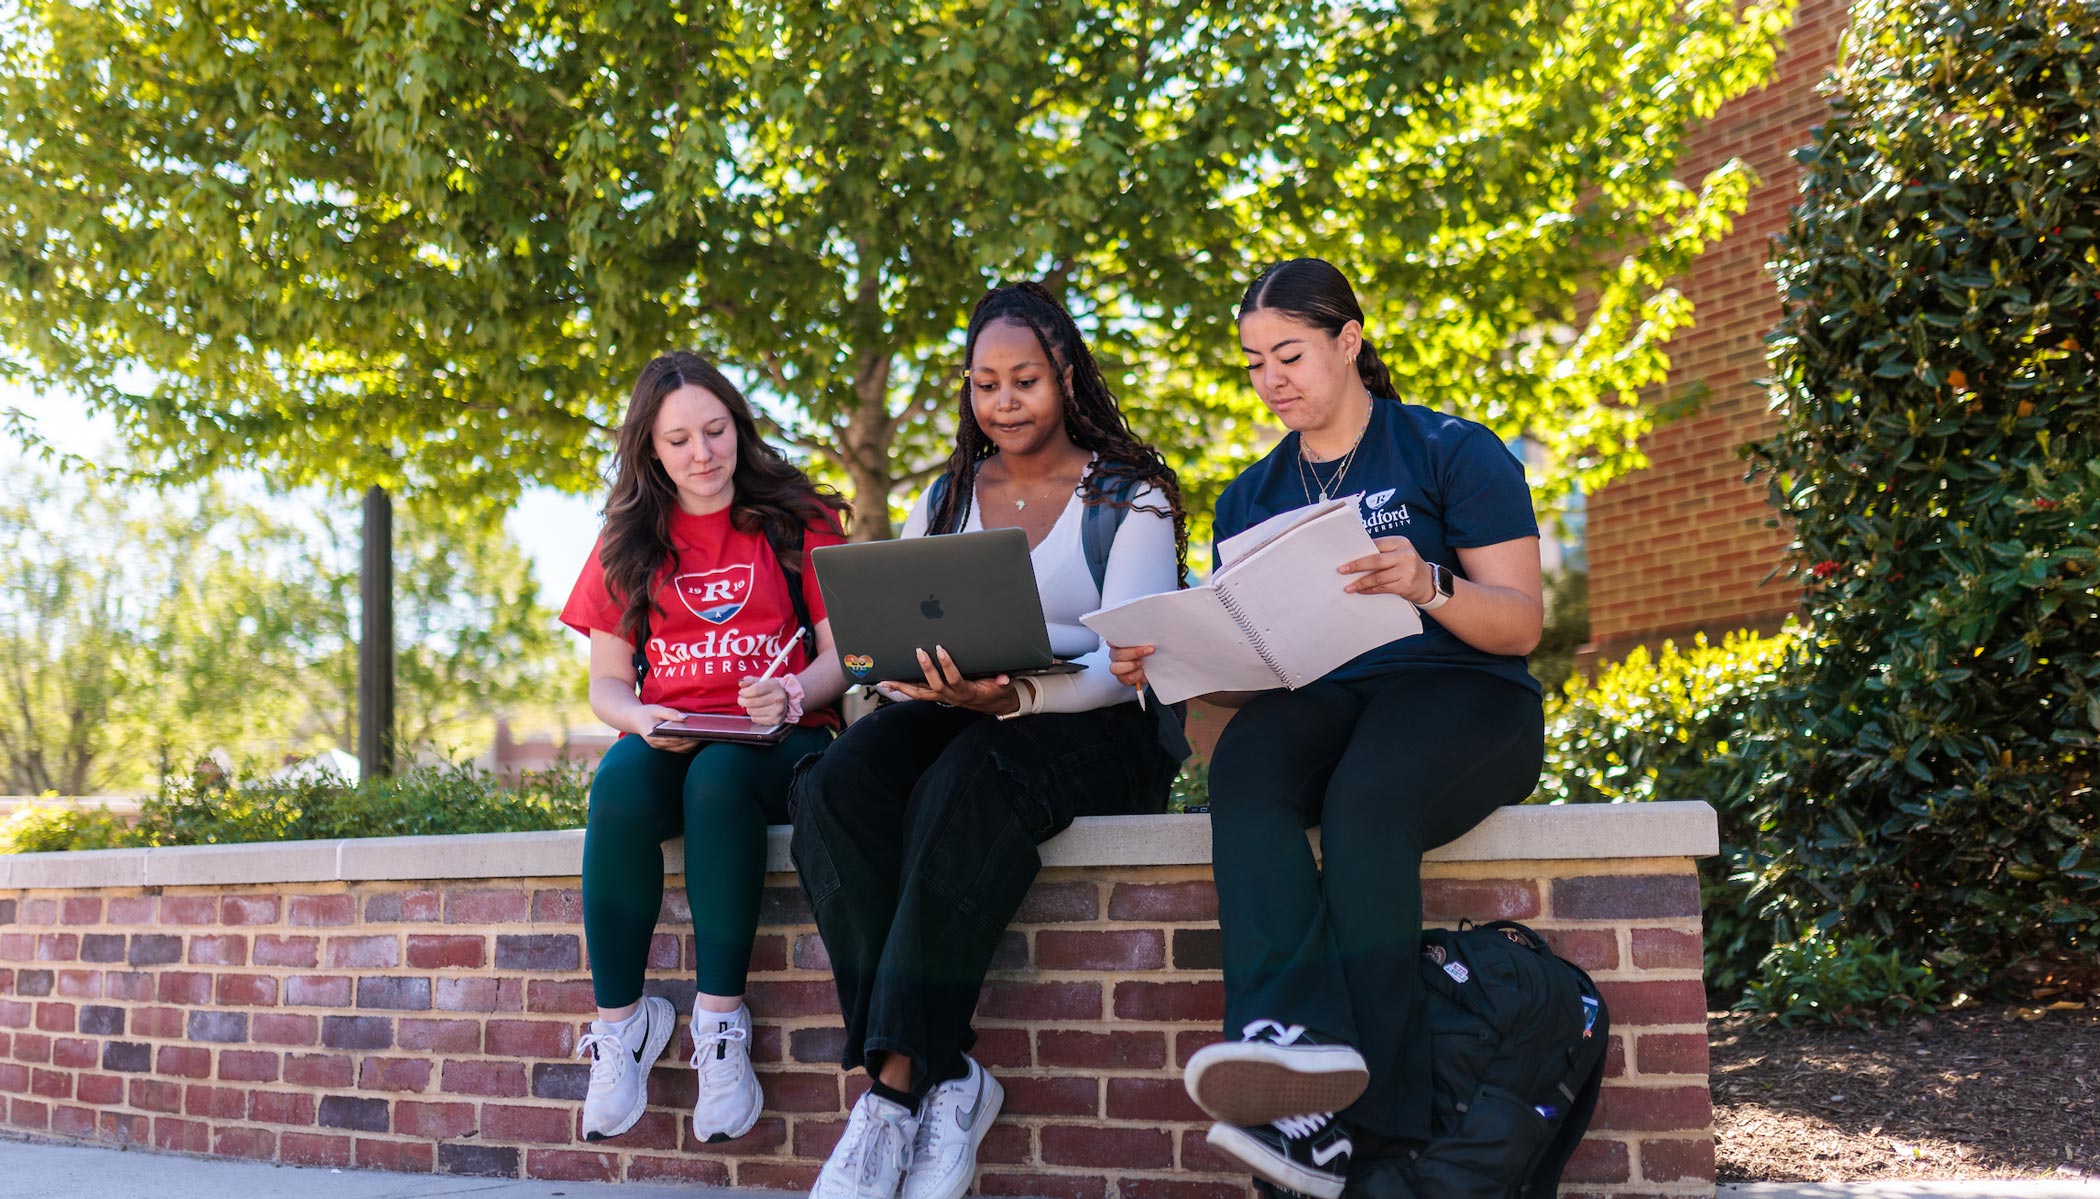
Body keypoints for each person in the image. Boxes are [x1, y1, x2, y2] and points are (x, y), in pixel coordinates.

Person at [1110, 258, 1547, 1198]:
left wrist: (1427, 582)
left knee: (1366, 802)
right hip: (1322, 699)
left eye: (1291, 353)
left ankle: (1377, 1126)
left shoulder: (1449, 449)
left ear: (1348, 342)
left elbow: (1521, 622)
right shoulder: (1249, 496)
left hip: (1465, 694)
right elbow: (1237, 702)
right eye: (1255, 361)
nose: (1273, 378)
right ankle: (1290, 1048)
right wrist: (1174, 664)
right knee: (1247, 780)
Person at [791, 281, 1188, 1199]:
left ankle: (889, 1099)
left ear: (1065, 377)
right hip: (974, 702)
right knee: (833, 784)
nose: (1003, 404)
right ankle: (952, 1073)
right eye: (984, 385)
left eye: (1024, 382)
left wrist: (1012, 698)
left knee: (964, 777)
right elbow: (931, 616)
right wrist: (909, 671)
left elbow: (1122, 663)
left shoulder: (1133, 496)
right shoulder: (951, 490)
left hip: (1101, 726)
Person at [557, 350, 850, 1145]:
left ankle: (720, 1026)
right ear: (651, 449)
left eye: (715, 430)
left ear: (738, 426)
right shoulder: (629, 540)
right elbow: (607, 685)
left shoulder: (798, 519)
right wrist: (644, 715)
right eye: (679, 439)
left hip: (783, 734)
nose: (702, 453)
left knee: (719, 779)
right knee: (617, 786)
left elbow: (843, 654)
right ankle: (621, 1027)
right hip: (673, 726)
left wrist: (792, 691)